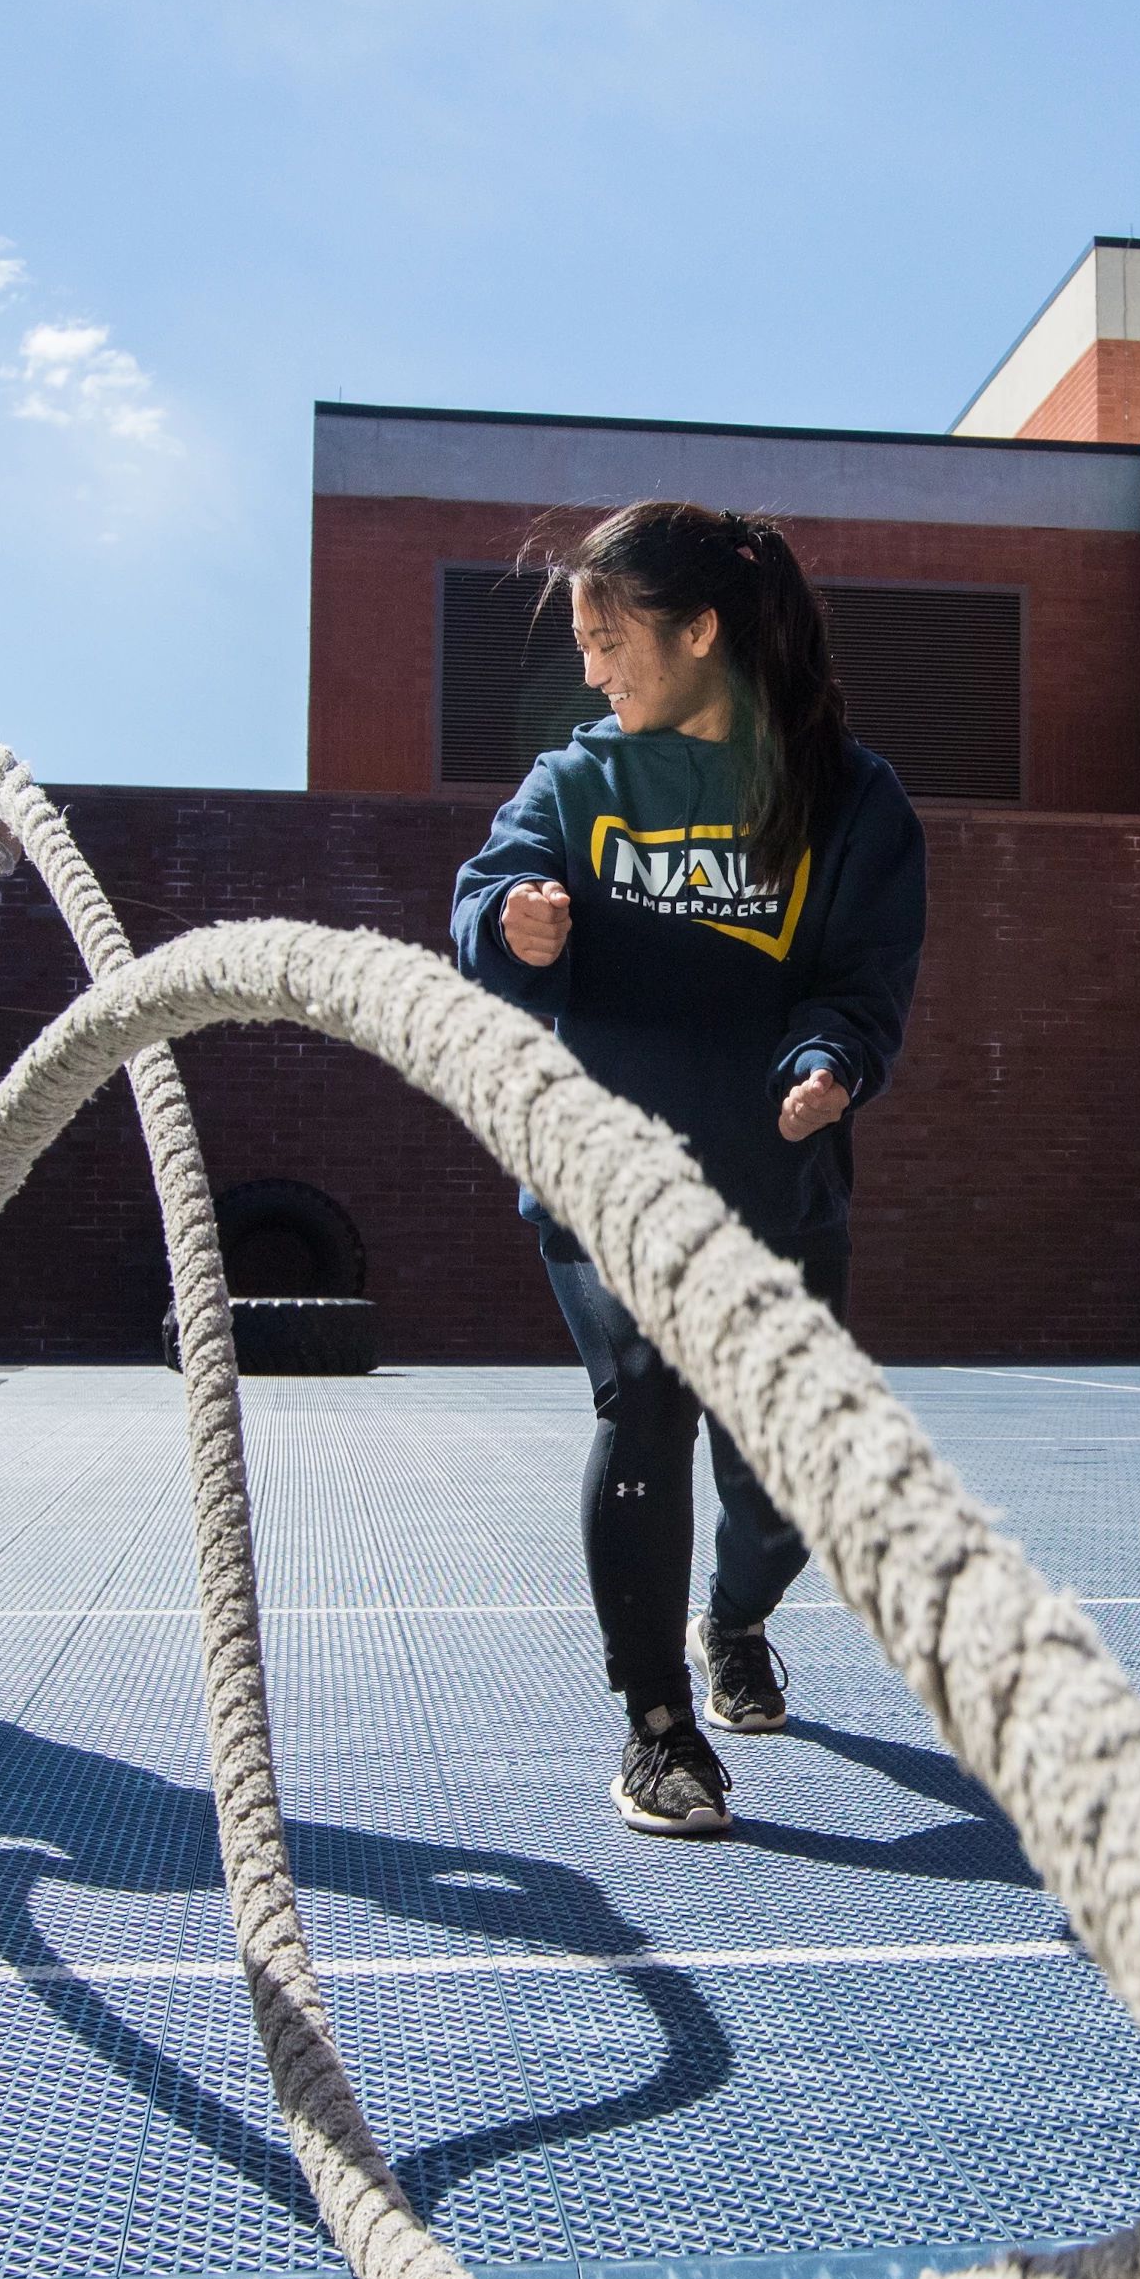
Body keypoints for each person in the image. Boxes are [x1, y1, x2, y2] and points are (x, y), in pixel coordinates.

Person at [454, 502, 927, 1840]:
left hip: (773, 1191)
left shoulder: (850, 798)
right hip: (606, 1176)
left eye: (611, 639)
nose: (592, 668)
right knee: (646, 1401)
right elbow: (479, 905)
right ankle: (658, 1723)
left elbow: (860, 986)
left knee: (777, 1475)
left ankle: (735, 1617)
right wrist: (515, 923)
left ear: (701, 629)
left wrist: (828, 1065)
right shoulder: (575, 784)